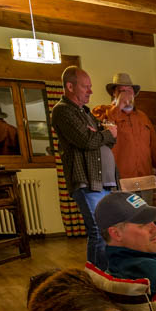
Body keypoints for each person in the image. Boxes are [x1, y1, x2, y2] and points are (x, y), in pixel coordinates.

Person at [51, 65, 119, 270]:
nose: (90, 91)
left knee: (108, 231)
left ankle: (105, 274)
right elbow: (86, 141)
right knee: (98, 231)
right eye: (86, 87)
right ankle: (96, 279)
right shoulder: (62, 111)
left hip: (104, 182)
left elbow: (107, 139)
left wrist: (101, 134)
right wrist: (104, 134)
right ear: (70, 86)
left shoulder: (85, 112)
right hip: (87, 180)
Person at [92, 73, 156, 205]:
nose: (126, 95)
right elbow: (100, 138)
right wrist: (118, 107)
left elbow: (154, 148)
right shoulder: (103, 112)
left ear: (134, 93)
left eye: (129, 90)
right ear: (114, 94)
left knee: (144, 220)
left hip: (145, 182)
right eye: (122, 91)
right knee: (125, 222)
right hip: (120, 183)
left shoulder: (143, 117)